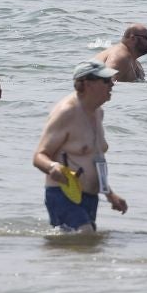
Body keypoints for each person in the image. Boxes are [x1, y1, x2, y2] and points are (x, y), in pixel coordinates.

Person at [33, 60, 129, 235]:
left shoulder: (98, 112)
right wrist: (53, 167)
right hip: (63, 193)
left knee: (86, 246)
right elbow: (39, 156)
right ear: (86, 84)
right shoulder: (66, 113)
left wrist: (109, 194)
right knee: (85, 235)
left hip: (90, 197)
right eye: (106, 81)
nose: (112, 84)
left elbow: (96, 159)